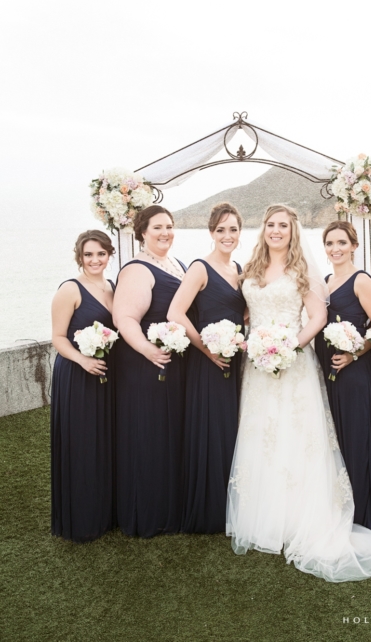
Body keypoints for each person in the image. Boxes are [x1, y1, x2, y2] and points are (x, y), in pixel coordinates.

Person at [227, 204, 371, 582]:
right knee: (262, 435)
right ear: (263, 229)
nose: (276, 230)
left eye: (283, 225)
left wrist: (288, 347)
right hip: (256, 366)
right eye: (270, 224)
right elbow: (247, 312)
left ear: (293, 231)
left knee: (295, 436)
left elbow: (317, 318)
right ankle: (265, 520)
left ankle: (303, 518)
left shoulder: (304, 271)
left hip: (293, 361)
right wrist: (252, 343)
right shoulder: (249, 270)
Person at [167, 202, 245, 533]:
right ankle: (208, 509)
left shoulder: (238, 268)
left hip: (234, 357)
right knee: (211, 428)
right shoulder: (199, 268)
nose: (227, 236)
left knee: (231, 428)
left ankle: (231, 505)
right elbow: (175, 313)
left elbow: (238, 312)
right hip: (207, 361)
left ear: (240, 232)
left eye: (233, 229)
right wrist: (208, 348)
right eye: (220, 230)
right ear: (211, 233)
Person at [113, 205, 187, 537]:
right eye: (157, 227)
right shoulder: (138, 269)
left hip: (175, 364)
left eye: (169, 226)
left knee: (171, 433)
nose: (165, 233)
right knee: (149, 434)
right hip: (147, 366)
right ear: (142, 232)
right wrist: (148, 350)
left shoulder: (178, 264)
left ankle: (174, 505)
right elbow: (124, 318)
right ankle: (150, 511)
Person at [315, 221, 371, 534]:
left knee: (358, 439)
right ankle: (339, 507)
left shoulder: (362, 281)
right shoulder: (327, 280)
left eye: (342, 243)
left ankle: (364, 513)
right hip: (329, 374)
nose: (335, 249)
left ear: (354, 246)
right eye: (330, 243)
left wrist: (355, 353)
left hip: (355, 373)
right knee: (338, 440)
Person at [51, 230, 116, 542]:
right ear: (80, 256)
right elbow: (58, 337)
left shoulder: (111, 287)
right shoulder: (70, 289)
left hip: (104, 374)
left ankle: (104, 511)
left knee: (103, 440)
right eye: (89, 254)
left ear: (109, 255)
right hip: (77, 375)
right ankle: (81, 518)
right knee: (82, 442)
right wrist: (82, 360)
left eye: (101, 254)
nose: (95, 260)